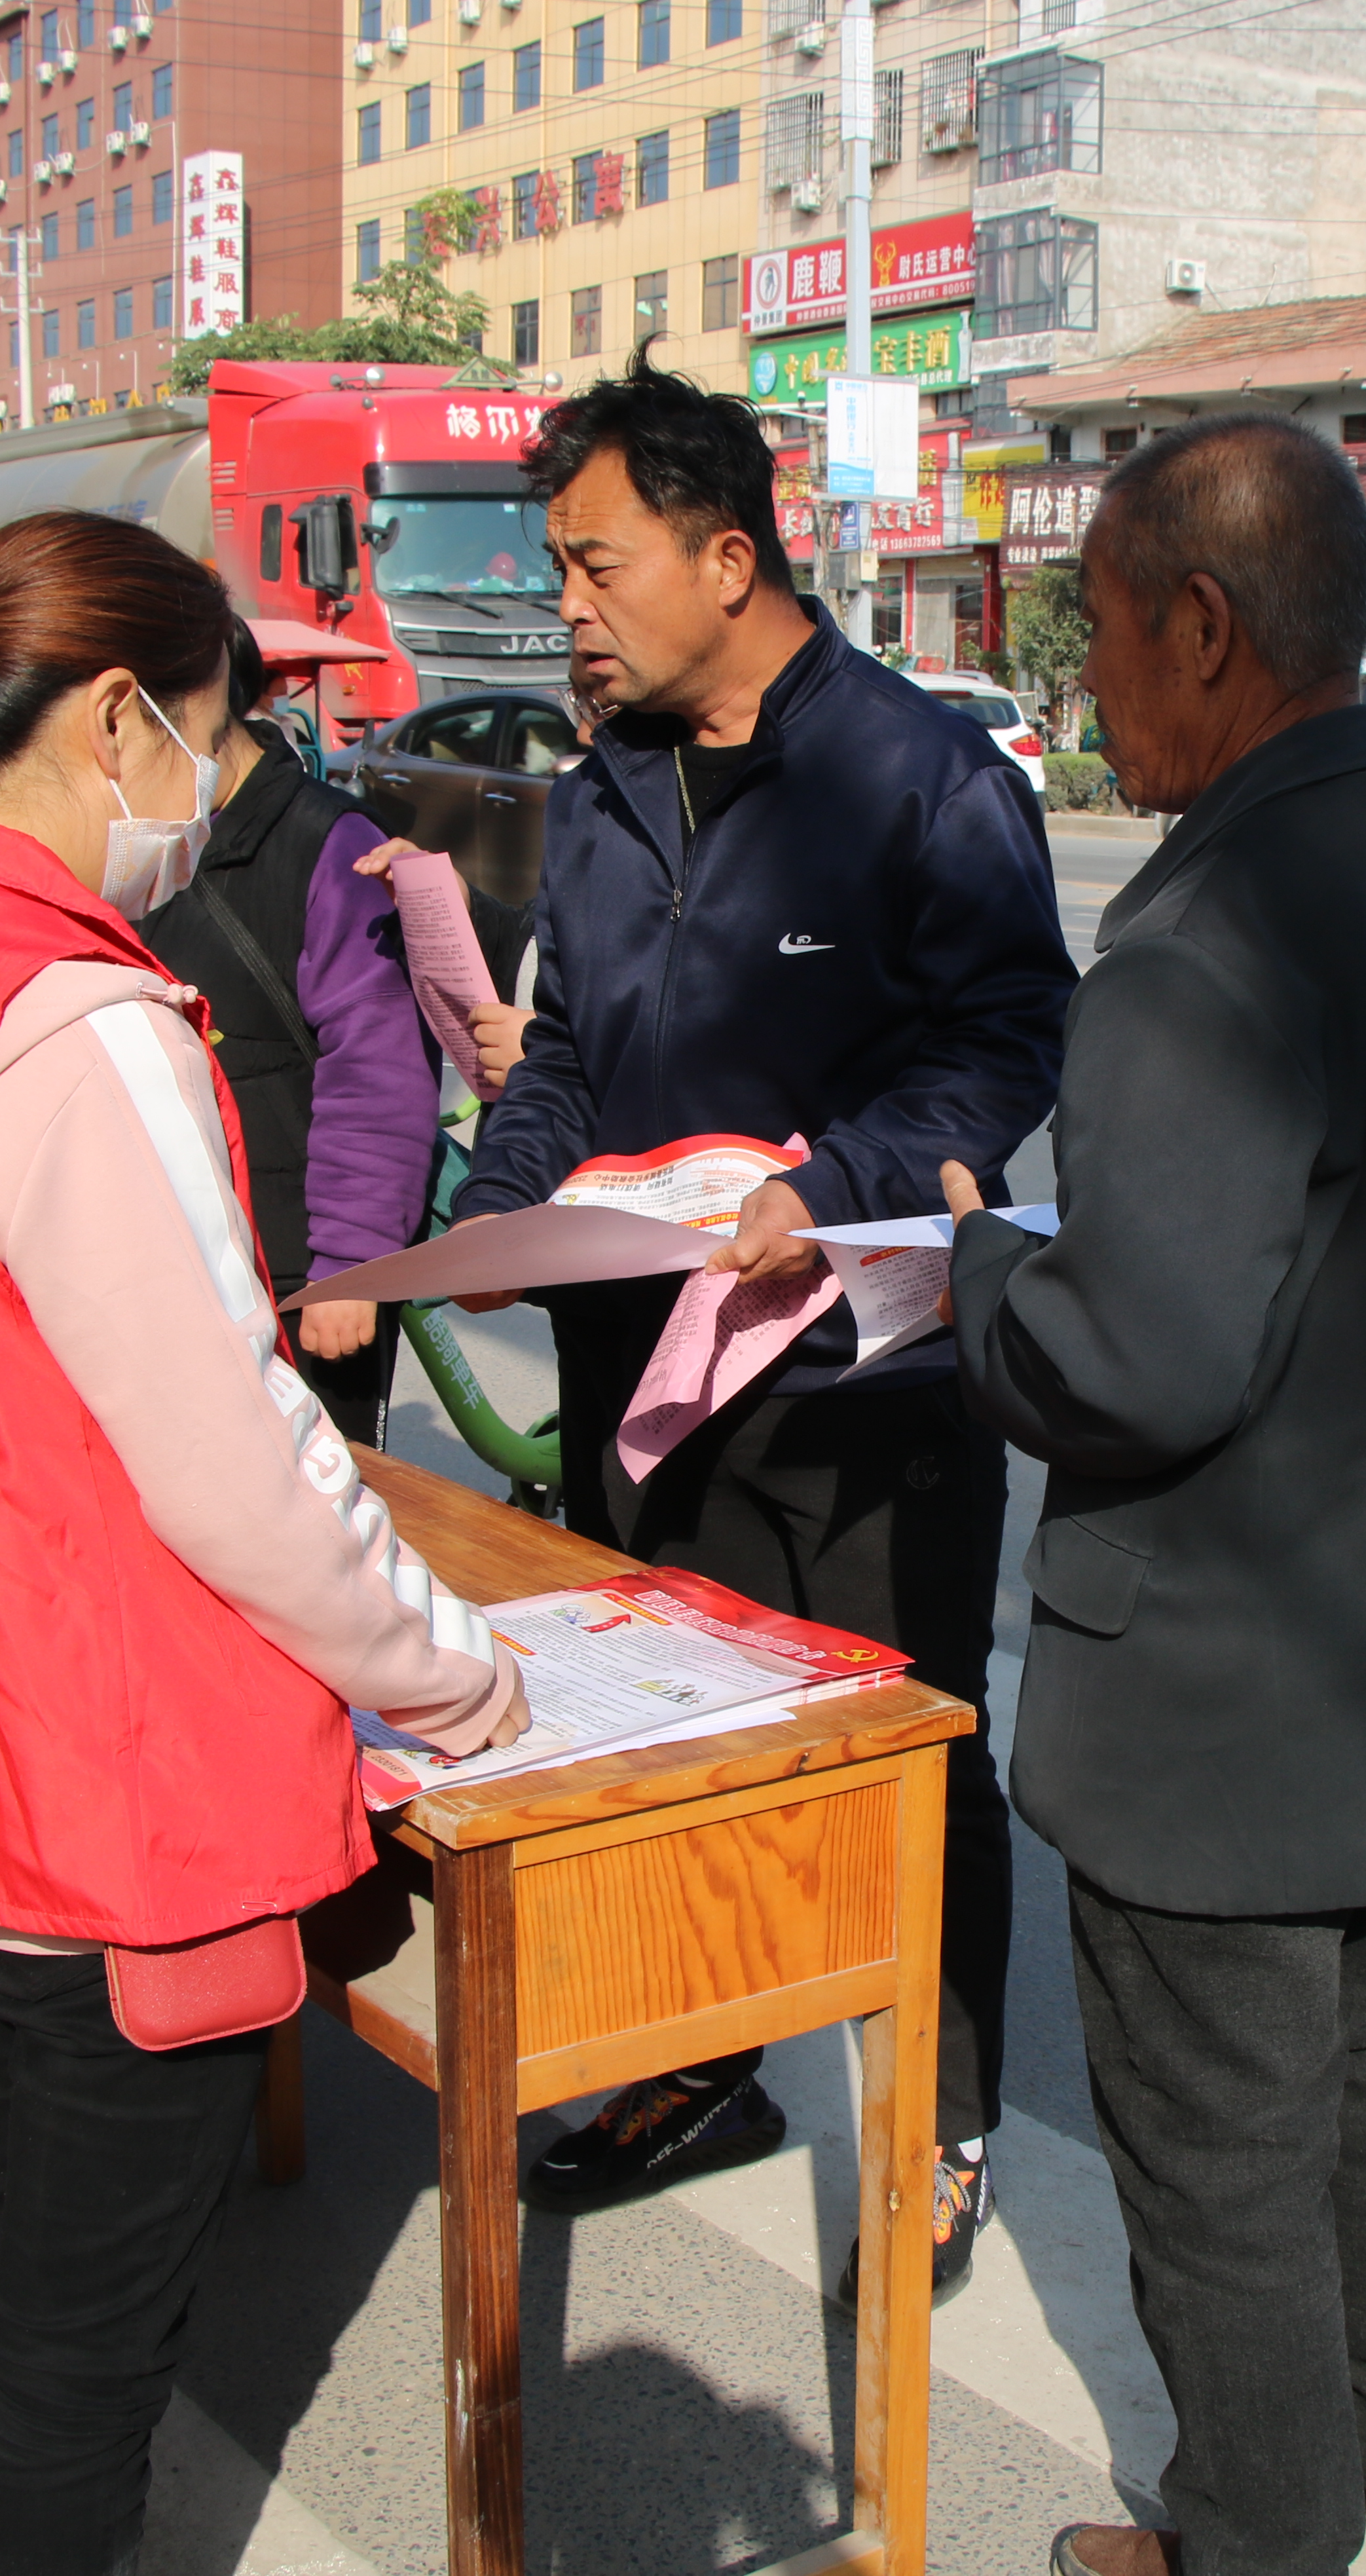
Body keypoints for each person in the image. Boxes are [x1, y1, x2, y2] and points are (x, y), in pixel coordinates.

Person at [0, 510, 529, 2575]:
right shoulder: (73, 1018)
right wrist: (452, 1670)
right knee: (81, 2358)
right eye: (210, 736)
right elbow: (233, 1449)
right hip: (114, 1789)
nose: (213, 787)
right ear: (111, 720)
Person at [937, 415, 1366, 2576]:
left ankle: (1255, 2534)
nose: (1086, 684)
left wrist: (981, 1271)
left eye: (1096, 630)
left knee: (1224, 2138)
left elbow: (1135, 1359)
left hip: (1224, 1697)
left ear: (1203, 627)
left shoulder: (1202, 940)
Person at [448, 363, 1074, 2296]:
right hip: (648, 1371)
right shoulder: (599, 788)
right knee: (680, 1735)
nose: (568, 605)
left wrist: (843, 1180)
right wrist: (497, 1216)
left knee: (901, 1755)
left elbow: (1009, 1037)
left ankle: (939, 2118)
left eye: (597, 564)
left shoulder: (917, 776)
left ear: (728, 560)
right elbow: (565, 1052)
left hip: (863, 1368)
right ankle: (704, 2062)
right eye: (557, 567)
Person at [137, 622, 442, 1444]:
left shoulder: (330, 843)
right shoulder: (144, 846)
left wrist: (352, 1265)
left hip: (304, 1269)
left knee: (318, 1493)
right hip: (182, 1259)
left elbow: (379, 1062)